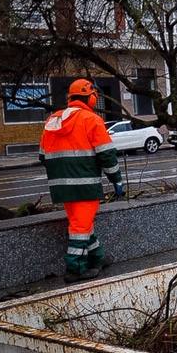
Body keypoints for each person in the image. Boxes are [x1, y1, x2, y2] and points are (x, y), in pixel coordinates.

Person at [39, 79, 124, 280]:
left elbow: (43, 156)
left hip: (61, 187)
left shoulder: (53, 119)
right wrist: (116, 180)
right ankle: (75, 268)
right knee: (80, 227)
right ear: (90, 97)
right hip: (86, 185)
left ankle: (98, 257)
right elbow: (107, 155)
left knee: (81, 223)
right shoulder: (91, 119)